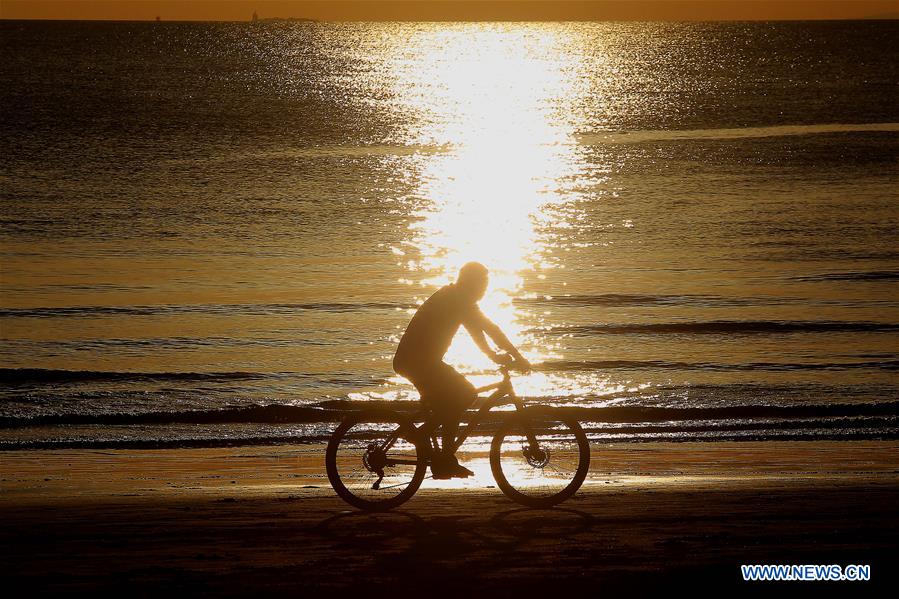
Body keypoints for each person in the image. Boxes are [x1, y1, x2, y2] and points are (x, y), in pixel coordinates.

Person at [393, 262, 531, 479]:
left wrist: (494, 356)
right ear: (471, 283)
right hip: (418, 362)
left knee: (454, 399)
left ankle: (444, 460)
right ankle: (422, 437)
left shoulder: (457, 298)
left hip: (418, 361)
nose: (484, 289)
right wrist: (519, 357)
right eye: (482, 284)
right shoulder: (457, 300)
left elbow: (477, 331)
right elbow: (490, 329)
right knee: (465, 394)